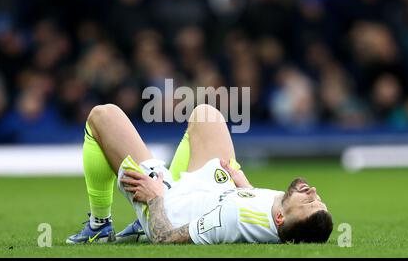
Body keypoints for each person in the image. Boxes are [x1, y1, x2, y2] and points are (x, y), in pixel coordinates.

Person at [66, 104, 333, 244]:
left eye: (309, 203)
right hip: (217, 190)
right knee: (207, 115)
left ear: (280, 218)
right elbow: (256, 211)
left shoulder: (232, 217)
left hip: (169, 206)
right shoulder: (279, 209)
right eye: (319, 199)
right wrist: (244, 185)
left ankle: (100, 225)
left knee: (102, 115)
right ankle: (133, 222)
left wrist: (156, 199)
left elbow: (165, 239)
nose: (313, 193)